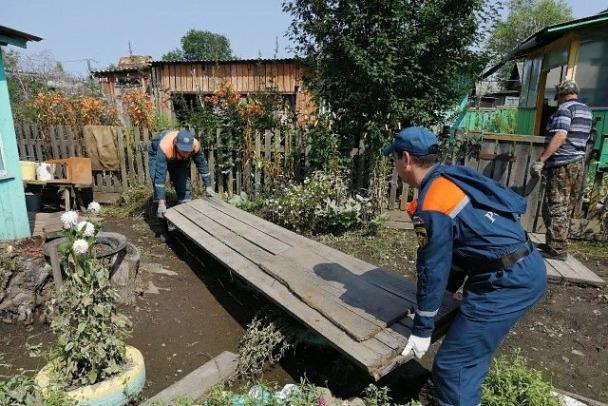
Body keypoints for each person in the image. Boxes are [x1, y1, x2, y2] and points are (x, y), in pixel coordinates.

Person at [383, 126, 547, 406]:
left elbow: (433, 267)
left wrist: (422, 328)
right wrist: (445, 295)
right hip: (518, 267)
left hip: (507, 282)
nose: (395, 165)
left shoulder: (432, 203)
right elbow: (461, 244)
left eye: (394, 159)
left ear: (406, 158)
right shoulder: (449, 178)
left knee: (453, 367)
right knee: (467, 357)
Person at [530, 79, 593, 260]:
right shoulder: (586, 110)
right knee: (566, 206)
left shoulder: (565, 109)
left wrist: (542, 159)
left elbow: (560, 135)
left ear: (562, 95)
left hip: (562, 163)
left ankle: (557, 250)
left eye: (557, 96)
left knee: (556, 205)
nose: (557, 100)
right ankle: (555, 243)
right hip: (578, 163)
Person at [148, 129, 214, 219]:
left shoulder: (195, 145)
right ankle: (161, 223)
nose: (187, 155)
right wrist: (161, 203)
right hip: (157, 152)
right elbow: (160, 176)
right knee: (156, 182)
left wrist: (208, 186)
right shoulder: (164, 146)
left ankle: (186, 220)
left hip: (176, 156)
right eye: (183, 150)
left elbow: (202, 165)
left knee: (183, 185)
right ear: (176, 143)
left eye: (188, 151)